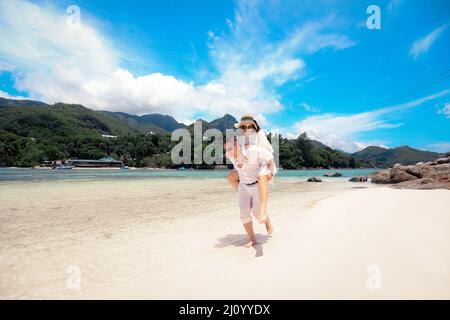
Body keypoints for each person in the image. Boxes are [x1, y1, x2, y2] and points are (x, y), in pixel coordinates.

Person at [225, 115, 277, 247]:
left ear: (255, 127)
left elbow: (269, 157)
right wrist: (235, 151)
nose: (247, 129)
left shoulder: (260, 138)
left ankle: (264, 213)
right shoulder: (239, 143)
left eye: (250, 126)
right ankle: (252, 238)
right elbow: (232, 152)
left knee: (260, 176)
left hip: (263, 168)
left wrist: (269, 172)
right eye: (244, 126)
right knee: (232, 178)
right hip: (245, 178)